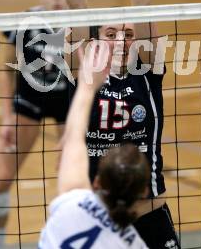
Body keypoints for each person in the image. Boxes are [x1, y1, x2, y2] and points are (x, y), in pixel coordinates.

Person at [31, 0, 180, 249]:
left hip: (149, 214)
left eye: (127, 33)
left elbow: (144, 7)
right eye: (110, 33)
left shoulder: (147, 71)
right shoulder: (87, 70)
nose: (121, 39)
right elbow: (79, 7)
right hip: (97, 215)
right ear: (97, 40)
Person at [0, 0, 85, 249]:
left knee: (74, 184)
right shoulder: (25, 23)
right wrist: (7, 117)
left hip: (68, 105)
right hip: (28, 103)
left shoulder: (80, 23)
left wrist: (80, 127)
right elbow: (4, 69)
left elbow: (85, 74)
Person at [38, 41, 150, 248]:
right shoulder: (135, 245)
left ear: (96, 181)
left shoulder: (73, 204)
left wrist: (88, 86)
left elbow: (73, 138)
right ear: (144, 192)